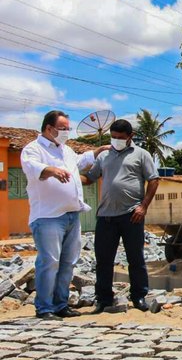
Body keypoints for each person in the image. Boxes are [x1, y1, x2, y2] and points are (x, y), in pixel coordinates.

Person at [20, 111, 108, 320]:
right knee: (50, 262)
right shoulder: (33, 149)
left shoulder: (66, 151)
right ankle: (44, 308)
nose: (67, 132)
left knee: (68, 262)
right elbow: (32, 166)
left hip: (71, 215)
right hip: (48, 217)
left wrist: (98, 151)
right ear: (49, 129)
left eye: (68, 128)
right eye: (63, 128)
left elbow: (79, 161)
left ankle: (61, 304)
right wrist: (51, 170)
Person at [84, 119, 159, 313]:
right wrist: (70, 176)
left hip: (131, 215)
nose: (116, 140)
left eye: (120, 138)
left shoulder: (141, 155)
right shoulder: (103, 156)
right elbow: (90, 178)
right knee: (103, 261)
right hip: (106, 217)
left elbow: (153, 180)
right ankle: (103, 299)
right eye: (113, 137)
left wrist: (143, 207)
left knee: (136, 259)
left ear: (130, 137)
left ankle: (139, 296)